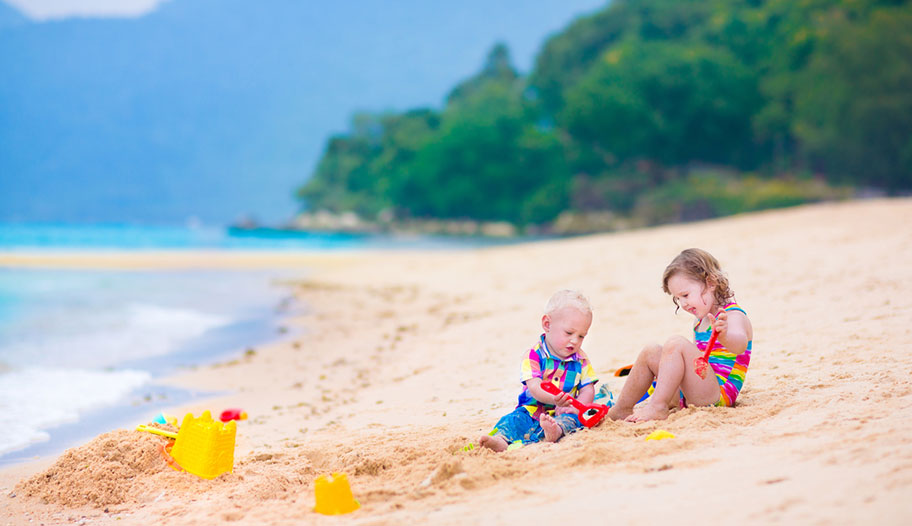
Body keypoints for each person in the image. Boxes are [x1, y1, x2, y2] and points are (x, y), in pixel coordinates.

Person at [607, 248, 753, 422]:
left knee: (675, 342)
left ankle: (657, 406)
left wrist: (724, 336)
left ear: (711, 282)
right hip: (694, 391)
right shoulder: (699, 320)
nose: (683, 304)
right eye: (678, 299)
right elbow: (693, 363)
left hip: (717, 395)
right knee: (651, 351)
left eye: (685, 295)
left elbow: (740, 344)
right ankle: (621, 409)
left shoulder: (733, 315)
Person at [479, 289, 600, 452]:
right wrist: (554, 399)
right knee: (514, 420)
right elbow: (535, 387)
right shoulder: (534, 356)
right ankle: (500, 440)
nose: (574, 340)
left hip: (563, 412)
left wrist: (579, 407)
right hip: (532, 410)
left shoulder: (581, 360)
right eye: (569, 333)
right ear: (547, 324)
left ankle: (554, 432)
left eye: (581, 336)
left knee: (572, 421)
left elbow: (588, 388)